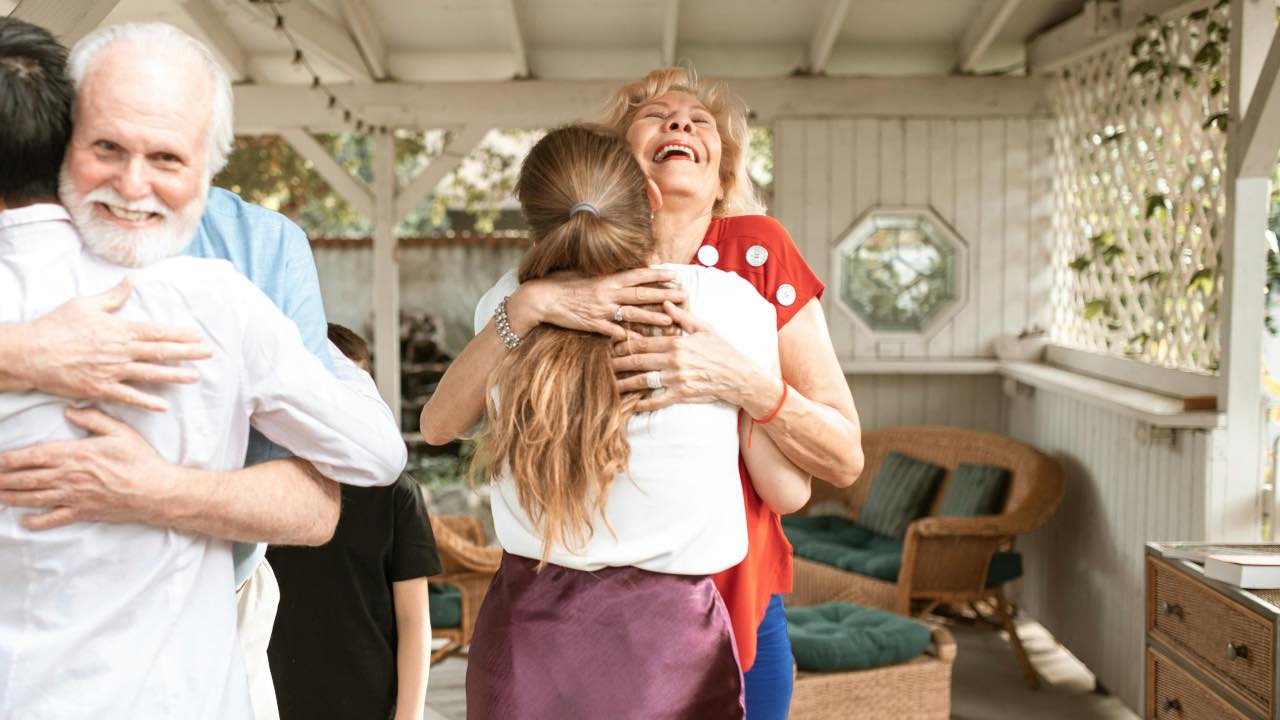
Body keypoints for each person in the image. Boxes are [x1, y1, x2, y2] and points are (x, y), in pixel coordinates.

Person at [422, 68, 864, 719]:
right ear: (625, 177)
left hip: (681, 599)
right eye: (657, 115)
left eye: (700, 120)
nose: (682, 122)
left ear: (723, 186)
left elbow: (438, 424)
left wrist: (736, 381)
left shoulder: (751, 267)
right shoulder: (718, 305)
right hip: (676, 620)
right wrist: (534, 303)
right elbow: (791, 491)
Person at [0, 18, 406, 718]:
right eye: (106, 147)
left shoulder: (249, 262)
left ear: (211, 164)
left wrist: (155, 490)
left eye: (166, 158)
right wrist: (22, 353)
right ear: (64, 136)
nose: (132, 186)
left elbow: (326, 498)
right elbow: (378, 450)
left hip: (207, 642)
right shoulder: (216, 303)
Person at [268, 324, 443, 720]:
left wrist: (410, 715)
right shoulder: (269, 484)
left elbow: (415, 620)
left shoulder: (397, 493)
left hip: (371, 701)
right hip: (275, 699)